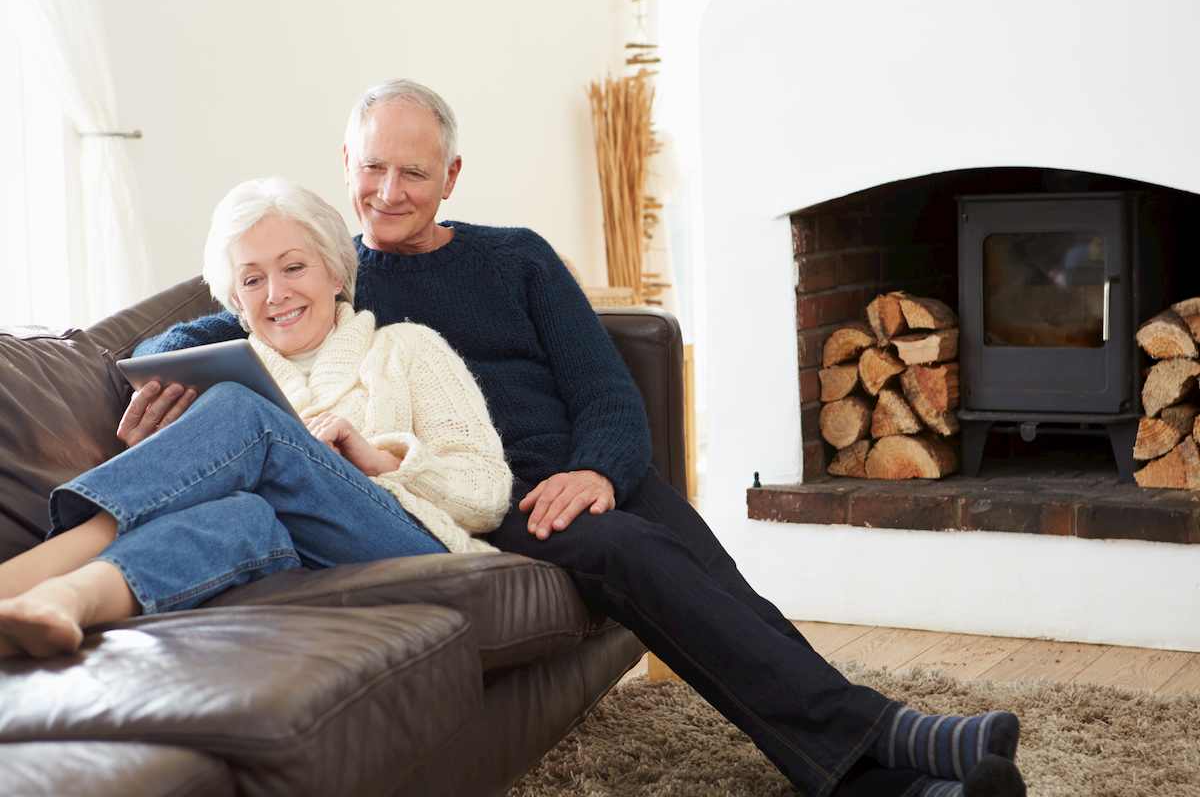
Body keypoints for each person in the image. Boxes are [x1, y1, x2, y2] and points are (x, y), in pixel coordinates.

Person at [119, 81, 1026, 797]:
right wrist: (162, 365)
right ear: (345, 165)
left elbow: (605, 389)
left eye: (413, 173)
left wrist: (600, 467)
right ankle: (890, 735)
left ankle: (864, 767)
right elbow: (208, 324)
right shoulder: (334, 278)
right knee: (632, 550)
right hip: (483, 490)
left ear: (452, 176)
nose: (388, 193)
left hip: (580, 471)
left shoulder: (516, 257)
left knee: (712, 576)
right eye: (370, 170)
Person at [0, 177, 511, 659]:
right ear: (238, 304)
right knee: (240, 514)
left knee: (246, 412)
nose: (275, 294)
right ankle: (55, 604)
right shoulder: (217, 378)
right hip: (281, 557)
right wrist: (154, 452)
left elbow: (485, 493)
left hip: (406, 550)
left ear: (335, 272)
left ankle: (24, 573)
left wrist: (379, 461)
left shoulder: (409, 348)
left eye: (293, 268)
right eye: (252, 279)